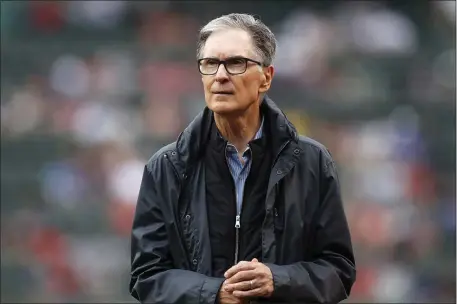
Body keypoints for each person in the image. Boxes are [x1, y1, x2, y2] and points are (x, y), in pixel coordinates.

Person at [130, 13, 356, 304]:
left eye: (236, 63)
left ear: (266, 78)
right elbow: (146, 276)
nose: (220, 75)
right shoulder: (166, 167)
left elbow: (338, 270)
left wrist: (277, 281)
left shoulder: (312, 162)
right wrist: (214, 294)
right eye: (210, 64)